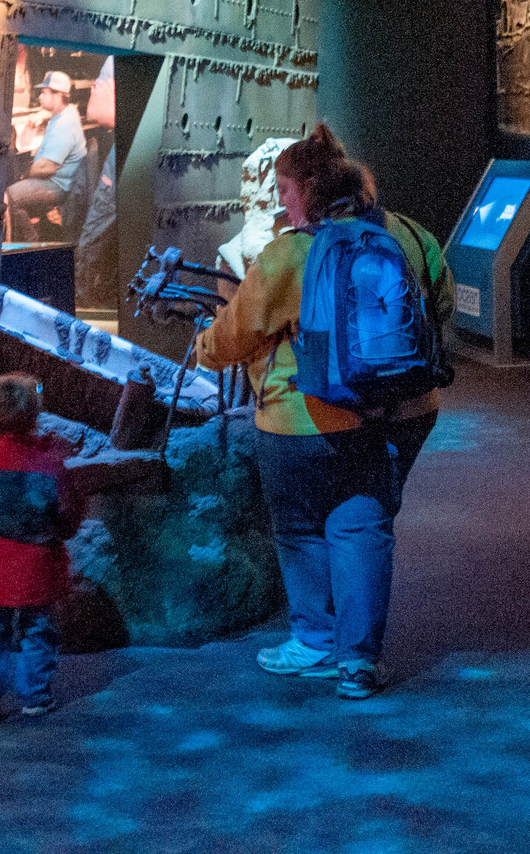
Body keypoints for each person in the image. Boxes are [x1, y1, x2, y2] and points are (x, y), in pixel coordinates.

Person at [195, 125, 451, 700]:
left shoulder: (289, 253)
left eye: (285, 188)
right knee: (363, 524)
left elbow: (233, 336)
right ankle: (358, 664)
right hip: (405, 412)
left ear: (308, 189)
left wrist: (206, 346)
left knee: (302, 528)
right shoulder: (414, 237)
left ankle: (313, 640)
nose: (281, 200)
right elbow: (444, 308)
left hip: (304, 421)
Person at [0, 373, 84, 721]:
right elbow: (68, 517)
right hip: (35, 573)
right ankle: (34, 696)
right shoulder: (48, 466)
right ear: (35, 416)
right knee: (37, 630)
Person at [5, 72, 87, 240]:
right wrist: (42, 116)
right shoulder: (66, 113)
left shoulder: (64, 125)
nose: (40, 97)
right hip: (56, 180)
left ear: (58, 96)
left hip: (58, 185)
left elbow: (47, 167)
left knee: (10, 196)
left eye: (44, 92)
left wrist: (26, 173)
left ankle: (30, 243)